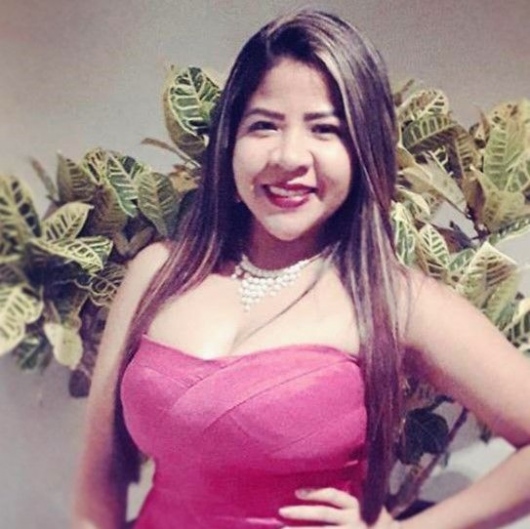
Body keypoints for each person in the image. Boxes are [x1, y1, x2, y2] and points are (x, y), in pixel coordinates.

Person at [72, 9, 530, 529]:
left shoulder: (394, 299)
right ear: (231, 142)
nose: (289, 156)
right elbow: (96, 495)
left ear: (363, 150)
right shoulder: (156, 273)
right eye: (264, 125)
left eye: (325, 129)